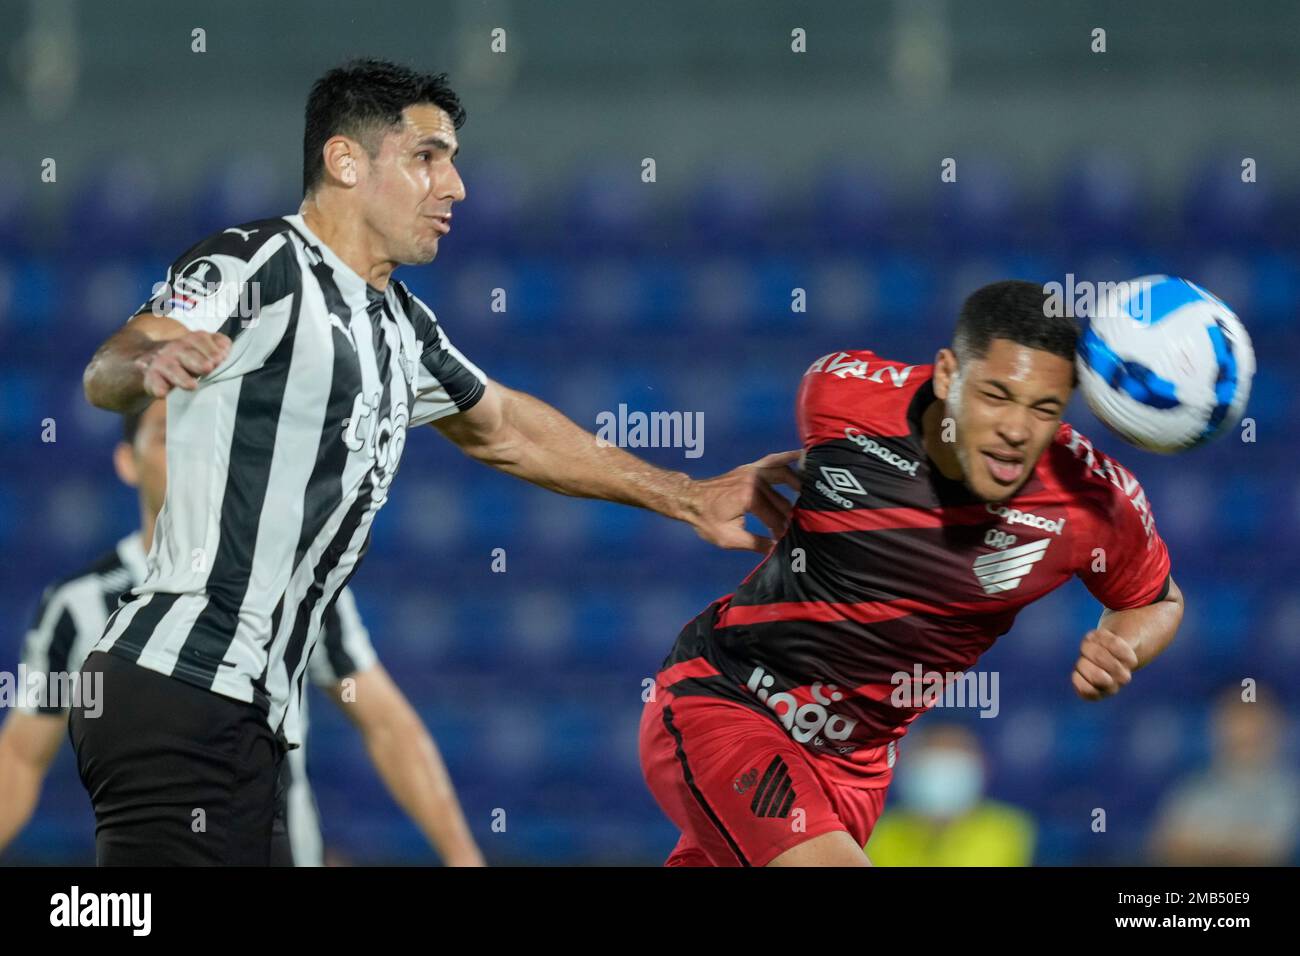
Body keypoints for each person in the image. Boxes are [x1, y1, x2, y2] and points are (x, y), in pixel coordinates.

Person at [75, 58, 798, 865]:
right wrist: (149, 366)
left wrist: (687, 496)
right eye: (427, 157)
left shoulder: (402, 326)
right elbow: (117, 355)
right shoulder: (261, 263)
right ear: (346, 161)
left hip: (250, 716)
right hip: (177, 688)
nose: (454, 186)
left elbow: (506, 429)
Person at [639, 280, 1185, 867]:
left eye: (1044, 409)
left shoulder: (1096, 505)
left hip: (855, 769)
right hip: (728, 698)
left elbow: (1157, 600)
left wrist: (1123, 646)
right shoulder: (843, 395)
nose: (1017, 429)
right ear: (947, 374)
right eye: (996, 395)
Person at [0, 400, 484, 866]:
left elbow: (386, 723)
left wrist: (462, 855)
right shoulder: (78, 607)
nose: (193, 452)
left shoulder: (294, 582)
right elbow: (21, 758)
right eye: (170, 435)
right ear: (128, 461)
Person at [1147, 684, 1299, 866]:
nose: (1241, 731)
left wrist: (1202, 846)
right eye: (1233, 721)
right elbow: (1166, 846)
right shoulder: (1196, 786)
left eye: (1250, 721)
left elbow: (1269, 852)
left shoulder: (1289, 791)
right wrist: (1236, 844)